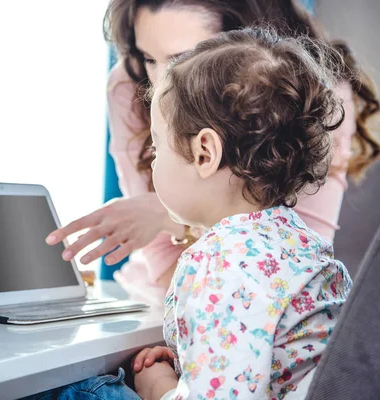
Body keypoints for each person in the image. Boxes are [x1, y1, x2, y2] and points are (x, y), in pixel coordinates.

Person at [33, 27, 351, 400]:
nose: (153, 161)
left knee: (75, 390)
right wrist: (189, 363)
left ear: (205, 153)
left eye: (157, 147)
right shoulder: (299, 243)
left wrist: (159, 388)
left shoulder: (222, 262)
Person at [45, 0, 380, 304]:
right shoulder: (130, 86)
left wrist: (165, 215)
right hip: (159, 299)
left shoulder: (314, 95)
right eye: (149, 58)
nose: (159, 84)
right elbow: (164, 268)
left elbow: (289, 276)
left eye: (181, 60)